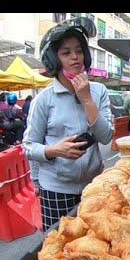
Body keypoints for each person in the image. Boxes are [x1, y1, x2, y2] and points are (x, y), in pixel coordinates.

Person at [23, 17, 114, 231]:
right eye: (66, 53)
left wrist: (87, 100)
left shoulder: (98, 92)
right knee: (59, 250)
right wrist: (54, 150)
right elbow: (28, 146)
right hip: (57, 190)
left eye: (79, 51)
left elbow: (106, 136)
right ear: (54, 60)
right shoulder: (43, 100)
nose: (75, 58)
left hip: (94, 186)